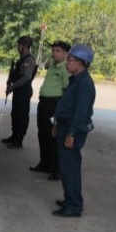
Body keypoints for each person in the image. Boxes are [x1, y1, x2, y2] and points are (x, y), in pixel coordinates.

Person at [52, 44, 96, 218]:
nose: (67, 63)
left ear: (81, 62)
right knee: (66, 167)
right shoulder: (76, 80)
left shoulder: (85, 84)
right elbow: (67, 104)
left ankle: (74, 206)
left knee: (70, 168)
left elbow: (81, 112)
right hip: (65, 126)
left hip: (72, 129)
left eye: (69, 60)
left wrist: (71, 133)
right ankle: (70, 199)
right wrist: (57, 122)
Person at [31, 40, 71, 181]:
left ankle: (56, 169)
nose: (54, 53)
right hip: (44, 103)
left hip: (55, 104)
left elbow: (67, 92)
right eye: (53, 50)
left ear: (66, 54)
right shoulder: (53, 65)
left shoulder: (66, 68)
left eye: (58, 51)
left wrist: (60, 111)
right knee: (42, 134)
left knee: (53, 137)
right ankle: (44, 163)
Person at [2, 35, 37, 149]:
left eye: (19, 45)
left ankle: (19, 140)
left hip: (24, 90)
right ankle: (14, 135)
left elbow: (26, 77)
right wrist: (10, 83)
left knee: (21, 115)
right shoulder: (21, 59)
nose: (18, 47)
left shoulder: (29, 59)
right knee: (15, 114)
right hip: (18, 90)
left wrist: (13, 86)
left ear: (25, 46)